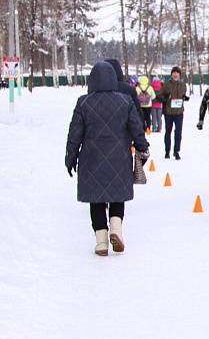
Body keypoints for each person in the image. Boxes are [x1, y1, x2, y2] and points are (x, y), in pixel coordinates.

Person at [65, 61, 150, 256]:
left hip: (90, 158)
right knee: (117, 194)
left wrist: (70, 158)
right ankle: (116, 229)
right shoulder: (125, 101)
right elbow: (136, 128)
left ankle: (101, 242)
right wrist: (142, 148)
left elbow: (74, 134)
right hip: (119, 156)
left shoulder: (83, 102)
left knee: (96, 199)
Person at [159, 66, 189, 159]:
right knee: (168, 132)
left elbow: (182, 95)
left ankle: (176, 151)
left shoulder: (183, 85)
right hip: (168, 112)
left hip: (179, 112)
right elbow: (159, 96)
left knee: (178, 132)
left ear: (179, 75)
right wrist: (165, 97)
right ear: (171, 74)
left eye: (177, 73)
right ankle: (167, 151)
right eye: (174, 73)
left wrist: (185, 98)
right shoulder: (166, 85)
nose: (175, 74)